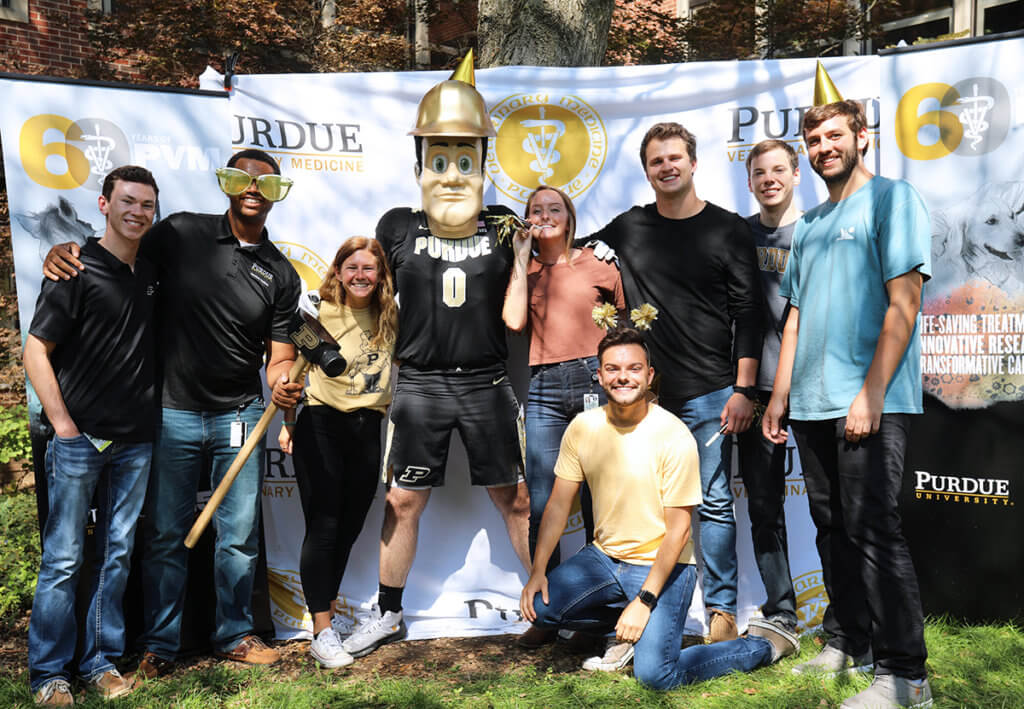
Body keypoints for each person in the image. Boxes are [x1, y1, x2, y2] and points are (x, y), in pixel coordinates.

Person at [43, 149, 303, 675]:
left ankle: (235, 634)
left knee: (239, 536)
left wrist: (281, 388)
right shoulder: (181, 232)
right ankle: (160, 643)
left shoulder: (280, 271)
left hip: (241, 416)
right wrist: (64, 250)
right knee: (164, 535)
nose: (253, 189)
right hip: (169, 413)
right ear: (228, 184)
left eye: (266, 183)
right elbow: (120, 253)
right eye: (242, 178)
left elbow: (280, 357)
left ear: (277, 193)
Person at [340, 53, 531, 659]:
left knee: (516, 497)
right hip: (419, 382)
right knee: (402, 500)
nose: (451, 173)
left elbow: (558, 248)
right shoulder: (397, 224)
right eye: (439, 159)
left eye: (464, 159)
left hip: (485, 380)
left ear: (483, 162)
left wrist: (600, 253)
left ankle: (544, 601)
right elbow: (362, 286)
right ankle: (389, 613)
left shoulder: (504, 225)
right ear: (420, 162)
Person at [762, 80, 933, 708]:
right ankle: (849, 641)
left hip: (870, 399)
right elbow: (796, 316)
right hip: (808, 404)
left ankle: (905, 675)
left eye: (835, 135)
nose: (823, 147)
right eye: (814, 139)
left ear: (862, 137)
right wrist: (779, 396)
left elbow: (905, 303)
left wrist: (870, 394)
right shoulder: (807, 225)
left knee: (872, 528)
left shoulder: (893, 199)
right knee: (832, 528)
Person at [520, 327, 799, 689]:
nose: (623, 377)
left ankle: (763, 645)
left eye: (634, 368)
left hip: (663, 568)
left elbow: (679, 531)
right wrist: (539, 569)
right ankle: (623, 624)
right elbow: (558, 505)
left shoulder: (673, 435)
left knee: (656, 676)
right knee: (540, 609)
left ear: (650, 375)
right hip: (604, 560)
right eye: (613, 369)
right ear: (600, 375)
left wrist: (644, 600)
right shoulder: (582, 427)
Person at [585, 122, 764, 642]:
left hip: (712, 391)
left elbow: (748, 313)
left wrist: (744, 389)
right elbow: (572, 257)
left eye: (674, 158)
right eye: (656, 161)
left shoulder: (728, 229)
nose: (666, 167)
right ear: (646, 171)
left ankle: (722, 611)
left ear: (693, 162)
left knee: (710, 501)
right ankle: (641, 607)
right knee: (638, 501)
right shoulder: (629, 227)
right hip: (646, 399)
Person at [25, 166, 160, 705]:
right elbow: (36, 350)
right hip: (80, 441)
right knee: (62, 558)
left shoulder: (151, 272)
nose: (137, 212)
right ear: (104, 205)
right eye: (127, 202)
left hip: (136, 442)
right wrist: (64, 426)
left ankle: (98, 660)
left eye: (147, 205)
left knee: (117, 552)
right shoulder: (74, 268)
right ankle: (48, 674)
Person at [502, 185, 624, 647]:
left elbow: (626, 324)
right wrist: (519, 257)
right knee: (541, 498)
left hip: (595, 378)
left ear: (570, 218)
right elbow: (514, 322)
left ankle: (602, 616)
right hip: (545, 386)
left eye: (555, 208)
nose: (546, 215)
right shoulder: (525, 269)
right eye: (536, 210)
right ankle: (545, 614)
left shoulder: (599, 261)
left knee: (599, 497)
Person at [277, 237, 398, 669]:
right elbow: (291, 374)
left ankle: (326, 619)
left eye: (370, 268)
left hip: (369, 427)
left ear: (381, 275)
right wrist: (288, 426)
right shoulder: (315, 314)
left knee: (349, 527)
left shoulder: (391, 315)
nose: (361, 276)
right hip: (322, 422)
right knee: (324, 524)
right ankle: (322, 630)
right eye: (352, 268)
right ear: (338, 271)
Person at [737, 139, 802, 636]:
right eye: (759, 172)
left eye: (778, 169)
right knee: (763, 505)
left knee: (835, 508)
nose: (769, 179)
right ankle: (782, 609)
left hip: (815, 385)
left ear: (796, 174)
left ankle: (850, 614)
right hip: (757, 390)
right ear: (750, 181)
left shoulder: (817, 230)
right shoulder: (737, 235)